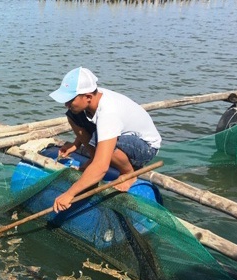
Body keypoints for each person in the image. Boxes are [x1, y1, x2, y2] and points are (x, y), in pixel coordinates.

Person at [49, 67, 161, 213]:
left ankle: (128, 174)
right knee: (73, 115)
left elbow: (102, 167)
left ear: (88, 97)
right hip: (122, 135)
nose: (66, 104)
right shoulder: (93, 97)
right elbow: (90, 125)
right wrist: (76, 144)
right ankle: (94, 157)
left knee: (103, 143)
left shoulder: (108, 113)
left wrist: (69, 194)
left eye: (70, 100)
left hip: (144, 147)